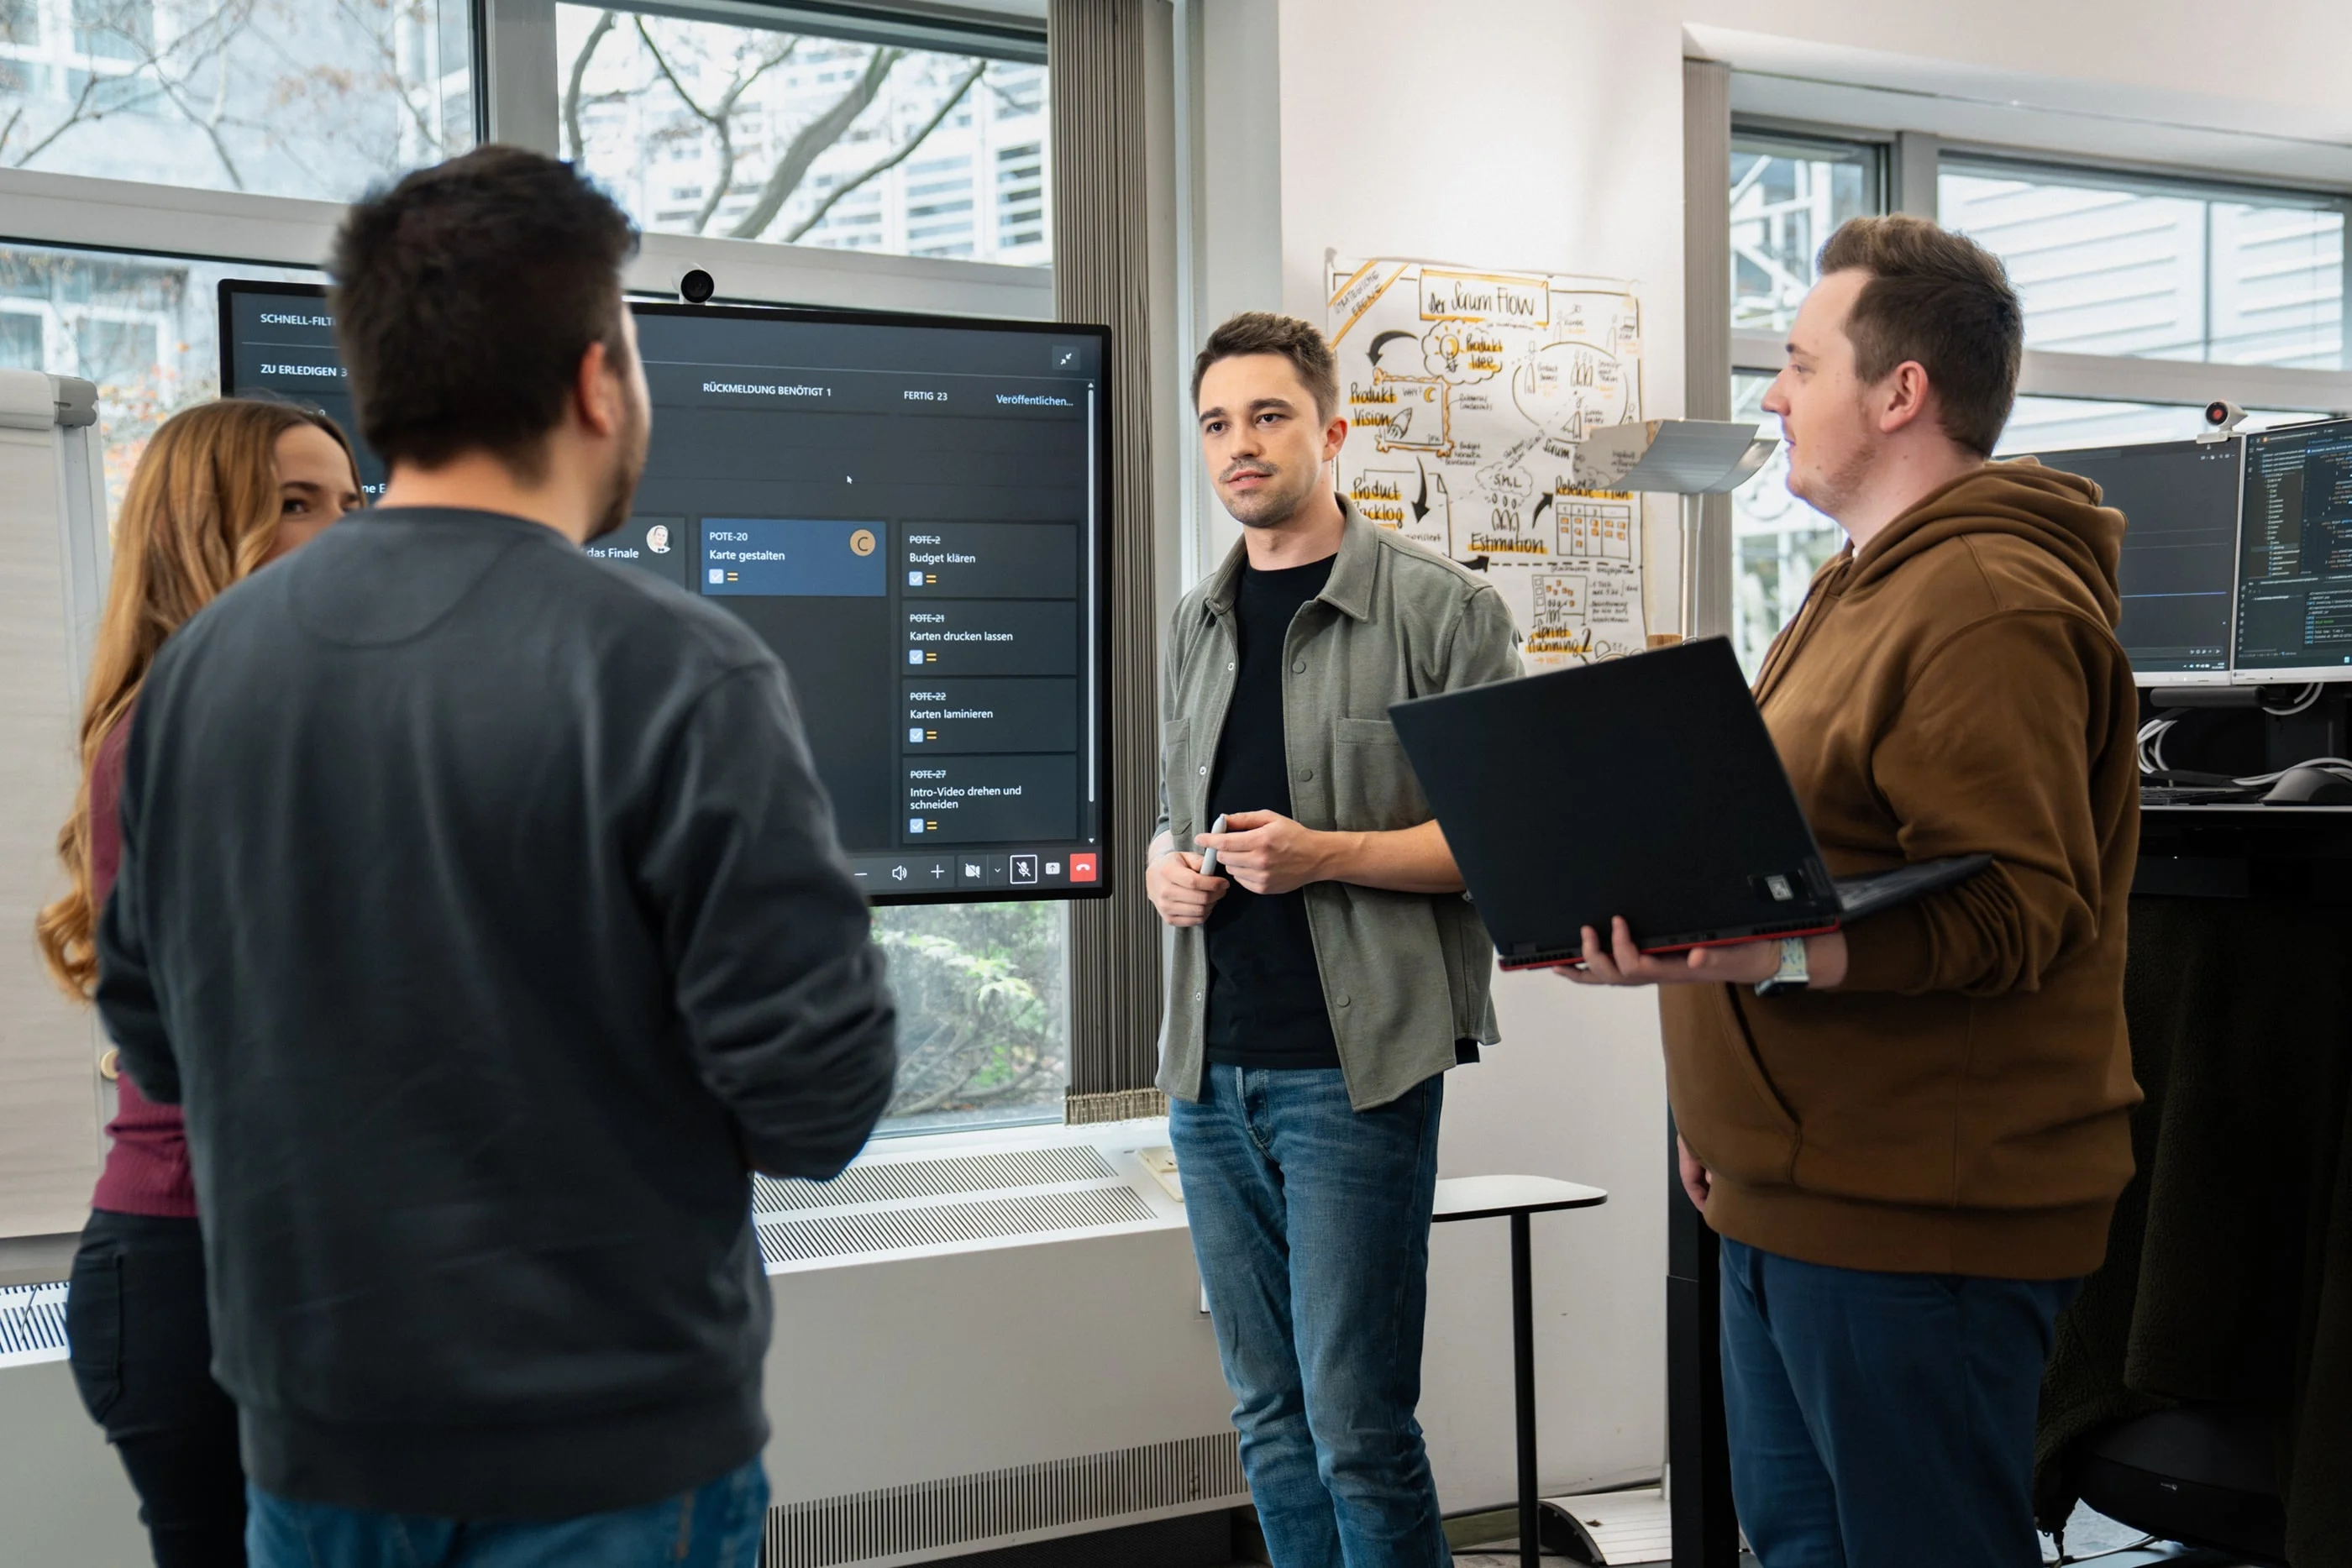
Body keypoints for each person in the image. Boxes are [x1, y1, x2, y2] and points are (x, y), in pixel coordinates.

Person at [94, 146, 897, 1567]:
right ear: (598, 381)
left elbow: (160, 1043)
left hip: (313, 1451)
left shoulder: (203, 675)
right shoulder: (678, 669)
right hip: (612, 1458)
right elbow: (818, 1103)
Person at [1565, 214, 2140, 1567]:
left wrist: (1750, 962)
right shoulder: (1859, 588)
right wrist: (1721, 1110)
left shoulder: (1988, 601)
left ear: (1901, 392)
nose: (1772, 394)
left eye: (1797, 360)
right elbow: (1815, 862)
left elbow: (2014, 910)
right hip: (1787, 1187)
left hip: (1917, 1213)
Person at [1147, 312, 1520, 1568]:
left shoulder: (1441, 610)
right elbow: (1172, 809)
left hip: (1352, 1076)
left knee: (1356, 1421)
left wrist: (1325, 853)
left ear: (1332, 430)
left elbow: (1498, 845)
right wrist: (1164, 867)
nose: (1239, 446)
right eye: (1216, 423)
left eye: (1267, 416)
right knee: (1266, 1418)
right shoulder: (1198, 624)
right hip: (1209, 1071)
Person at [38, 398, 363, 1568]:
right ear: (201, 529)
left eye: (351, 502)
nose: (342, 531)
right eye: (294, 505)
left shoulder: (300, 714)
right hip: (196, 1271)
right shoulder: (178, 724)